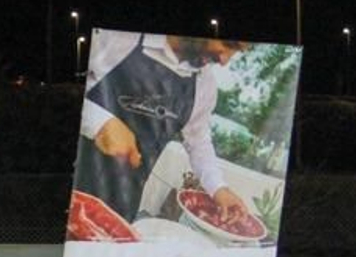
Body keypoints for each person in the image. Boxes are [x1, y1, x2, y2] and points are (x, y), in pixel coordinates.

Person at [75, 33, 251, 224]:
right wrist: (101, 123)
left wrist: (218, 188)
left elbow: (198, 142)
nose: (225, 60)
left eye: (235, 51)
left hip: (121, 205)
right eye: (227, 43)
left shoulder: (204, 86)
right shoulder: (119, 39)